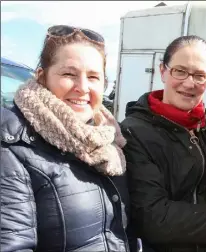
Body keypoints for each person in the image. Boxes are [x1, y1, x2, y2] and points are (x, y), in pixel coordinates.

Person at [1, 25, 136, 251]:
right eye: (68, 74)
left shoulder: (107, 140)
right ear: (42, 78)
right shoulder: (13, 143)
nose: (82, 87)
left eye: (93, 77)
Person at [120, 35, 206, 252]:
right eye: (180, 71)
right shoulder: (134, 131)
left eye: (200, 75)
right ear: (163, 71)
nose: (189, 83)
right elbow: (153, 218)